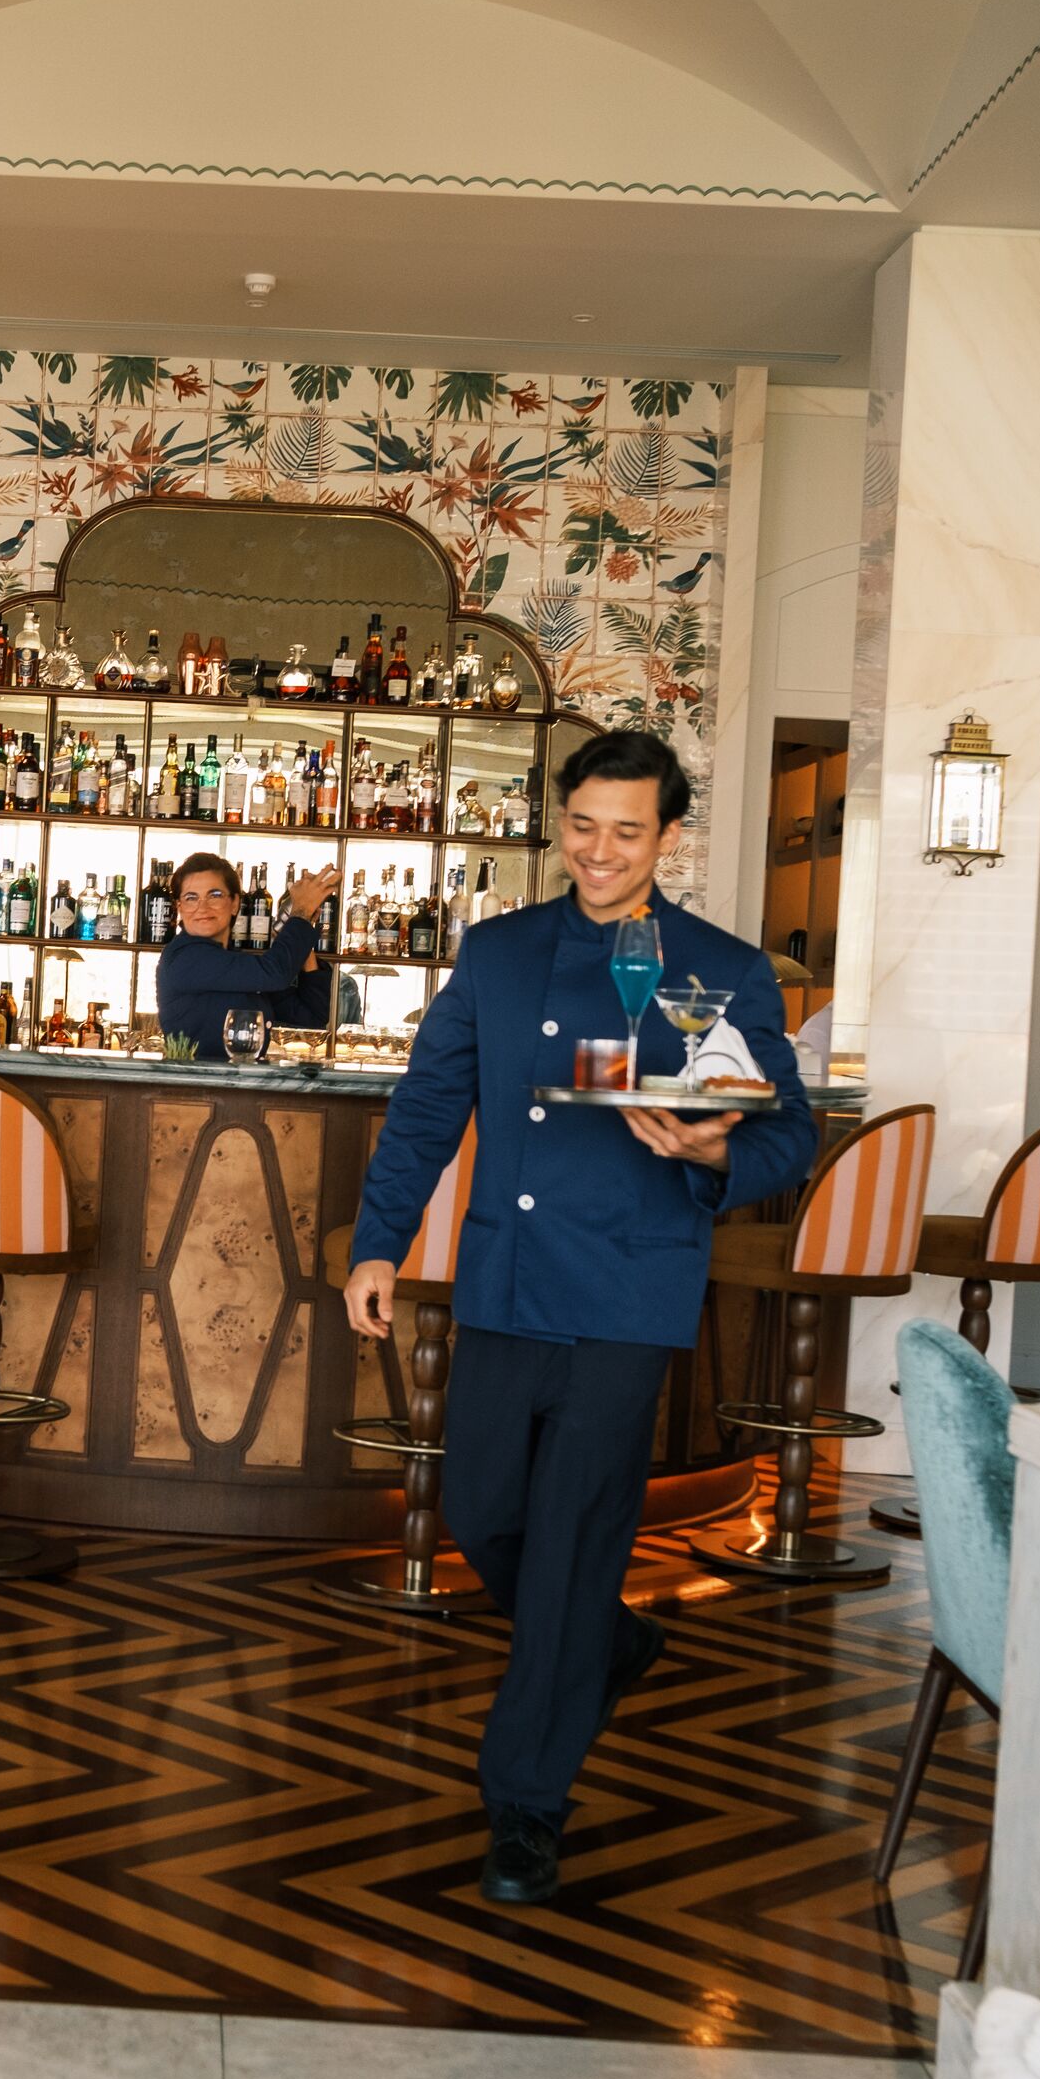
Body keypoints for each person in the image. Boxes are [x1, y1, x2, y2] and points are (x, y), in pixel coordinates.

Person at [343, 729, 815, 1907]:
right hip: (509, 1278)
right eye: (583, 826)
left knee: (570, 1540)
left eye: (628, 831)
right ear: (560, 822)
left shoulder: (718, 968)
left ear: (669, 837)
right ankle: (605, 1643)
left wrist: (714, 1148)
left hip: (631, 1288)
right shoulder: (500, 954)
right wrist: (379, 1241)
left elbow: (785, 1133)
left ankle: (526, 1803)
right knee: (481, 1507)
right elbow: (428, 1103)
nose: (601, 852)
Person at [153, 851, 343, 1060]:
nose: (202, 907)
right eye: (191, 898)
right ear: (179, 907)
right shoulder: (184, 957)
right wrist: (301, 914)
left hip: (238, 1078)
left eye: (215, 895)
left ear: (235, 903)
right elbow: (275, 973)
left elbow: (310, 1015)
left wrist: (302, 929)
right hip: (197, 1080)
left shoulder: (236, 964)